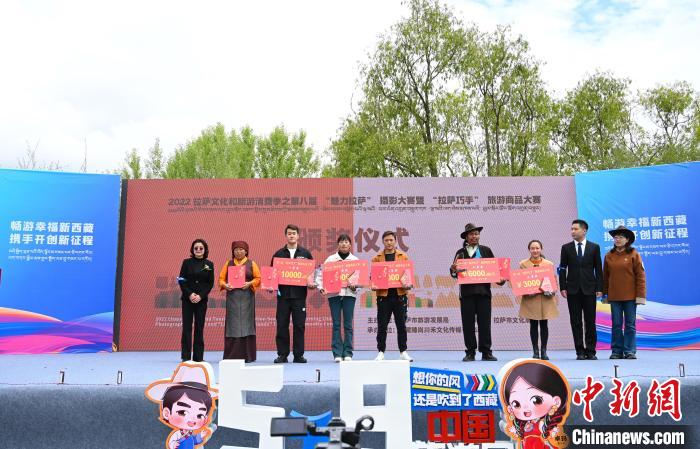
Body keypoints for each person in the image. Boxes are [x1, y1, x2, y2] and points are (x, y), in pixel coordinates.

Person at [450, 223, 505, 362]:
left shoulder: (486, 250)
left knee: (485, 323)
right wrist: (453, 270)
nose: (474, 236)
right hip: (466, 294)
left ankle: (486, 352)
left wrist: (501, 280)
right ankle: (470, 352)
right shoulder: (460, 253)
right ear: (466, 237)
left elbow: (495, 272)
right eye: (471, 234)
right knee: (468, 324)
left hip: (483, 293)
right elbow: (454, 272)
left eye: (476, 234)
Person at [559, 219, 603, 360]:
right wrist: (563, 286)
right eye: (572, 229)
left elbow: (598, 269)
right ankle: (580, 351)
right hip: (572, 290)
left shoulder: (594, 247)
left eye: (575, 229)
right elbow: (562, 268)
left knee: (590, 321)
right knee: (576, 322)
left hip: (589, 289)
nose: (572, 231)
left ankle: (591, 351)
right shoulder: (566, 248)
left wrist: (599, 287)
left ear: (584, 231)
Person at [500, 360, 570, 449]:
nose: (525, 407)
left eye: (536, 400)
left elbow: (558, 440)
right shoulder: (522, 424)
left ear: (556, 401)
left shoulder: (547, 424)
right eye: (516, 404)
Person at [146, 363, 218, 449]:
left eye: (200, 415)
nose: (192, 419)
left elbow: (195, 441)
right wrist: (173, 444)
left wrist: (201, 436)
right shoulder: (177, 434)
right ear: (166, 413)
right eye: (183, 412)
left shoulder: (190, 433)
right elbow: (172, 442)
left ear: (205, 418)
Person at [271, 224, 315, 364]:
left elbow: (311, 273)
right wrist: (271, 285)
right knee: (282, 325)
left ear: (298, 235)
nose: (291, 235)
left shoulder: (305, 254)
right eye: (289, 233)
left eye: (294, 233)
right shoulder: (278, 254)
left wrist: (311, 283)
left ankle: (298, 355)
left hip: (299, 296)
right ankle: (282, 354)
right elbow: (272, 274)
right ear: (286, 235)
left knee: (299, 326)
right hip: (283, 296)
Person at [603, 226, 646, 360]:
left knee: (630, 325)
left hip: (630, 297)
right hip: (614, 296)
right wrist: (604, 294)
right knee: (616, 324)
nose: (617, 239)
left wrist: (640, 296)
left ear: (627, 240)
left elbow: (640, 276)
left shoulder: (634, 254)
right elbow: (605, 277)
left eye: (621, 237)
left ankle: (629, 351)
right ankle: (616, 351)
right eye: (615, 237)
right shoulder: (609, 255)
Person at [316, 234, 360, 362]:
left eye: (346, 242)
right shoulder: (330, 260)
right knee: (336, 324)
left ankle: (348, 353)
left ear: (350, 245)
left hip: (349, 295)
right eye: (341, 242)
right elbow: (320, 274)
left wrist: (355, 287)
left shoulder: (355, 260)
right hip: (333, 294)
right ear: (338, 244)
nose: (343, 244)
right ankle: (337, 353)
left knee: (348, 324)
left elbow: (360, 279)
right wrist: (321, 287)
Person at [372, 230, 413, 362]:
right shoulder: (377, 258)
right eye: (386, 240)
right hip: (383, 296)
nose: (389, 242)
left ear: (395, 241)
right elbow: (373, 277)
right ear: (383, 242)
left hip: (400, 295)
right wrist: (373, 283)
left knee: (401, 325)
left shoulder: (403, 257)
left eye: (391, 240)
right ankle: (381, 351)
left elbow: (408, 275)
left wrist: (408, 283)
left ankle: (403, 351)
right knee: (382, 325)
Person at [219, 241, 261, 363]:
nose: (238, 252)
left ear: (246, 251)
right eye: (236, 249)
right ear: (233, 251)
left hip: (247, 297)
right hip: (232, 297)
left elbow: (258, 278)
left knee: (247, 324)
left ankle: (248, 355)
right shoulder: (228, 263)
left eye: (241, 249)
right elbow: (221, 279)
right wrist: (225, 285)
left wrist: (250, 283)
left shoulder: (252, 263)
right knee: (233, 325)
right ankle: (232, 355)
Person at [517, 240, 558, 360]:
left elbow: (553, 281)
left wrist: (551, 289)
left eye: (537, 248)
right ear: (529, 250)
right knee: (533, 324)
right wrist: (525, 289)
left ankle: (544, 351)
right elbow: (520, 281)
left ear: (541, 249)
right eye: (532, 248)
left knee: (544, 324)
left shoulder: (548, 264)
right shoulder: (523, 264)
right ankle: (535, 351)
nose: (535, 250)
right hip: (531, 298)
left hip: (545, 298)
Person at [178, 239, 214, 363]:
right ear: (192, 250)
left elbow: (210, 284)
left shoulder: (209, 264)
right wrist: (190, 294)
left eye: (201, 248)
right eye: (196, 248)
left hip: (201, 301)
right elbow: (181, 280)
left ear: (205, 250)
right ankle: (186, 356)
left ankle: (198, 357)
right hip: (187, 300)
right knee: (187, 328)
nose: (198, 250)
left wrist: (200, 296)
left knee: (199, 328)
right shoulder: (186, 263)